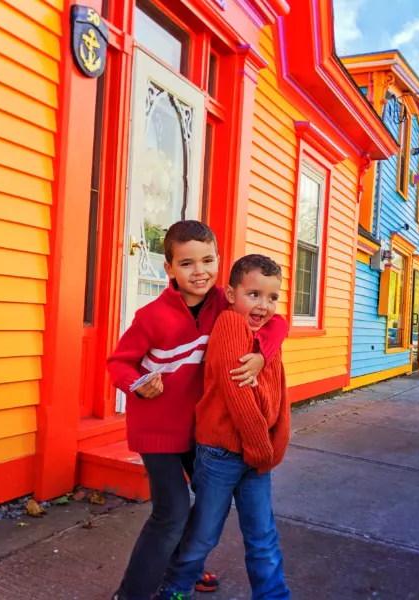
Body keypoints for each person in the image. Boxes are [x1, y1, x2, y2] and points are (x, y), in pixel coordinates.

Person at [107, 222, 288, 600]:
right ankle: (132, 592)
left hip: (200, 430)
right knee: (171, 512)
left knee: (205, 506)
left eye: (207, 260)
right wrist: (138, 383)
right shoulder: (151, 317)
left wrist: (261, 354)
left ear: (219, 262)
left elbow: (278, 322)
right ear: (168, 269)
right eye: (186, 263)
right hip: (157, 430)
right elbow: (118, 363)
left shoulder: (227, 303)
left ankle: (185, 567)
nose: (199, 271)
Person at [157, 254, 291, 600]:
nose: (264, 305)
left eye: (272, 297)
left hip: (256, 456)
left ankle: (273, 595)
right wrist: (264, 449)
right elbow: (238, 396)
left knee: (263, 533)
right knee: (204, 532)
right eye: (254, 294)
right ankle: (174, 589)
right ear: (231, 295)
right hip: (222, 454)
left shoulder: (265, 338)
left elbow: (280, 394)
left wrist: (278, 441)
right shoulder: (231, 326)